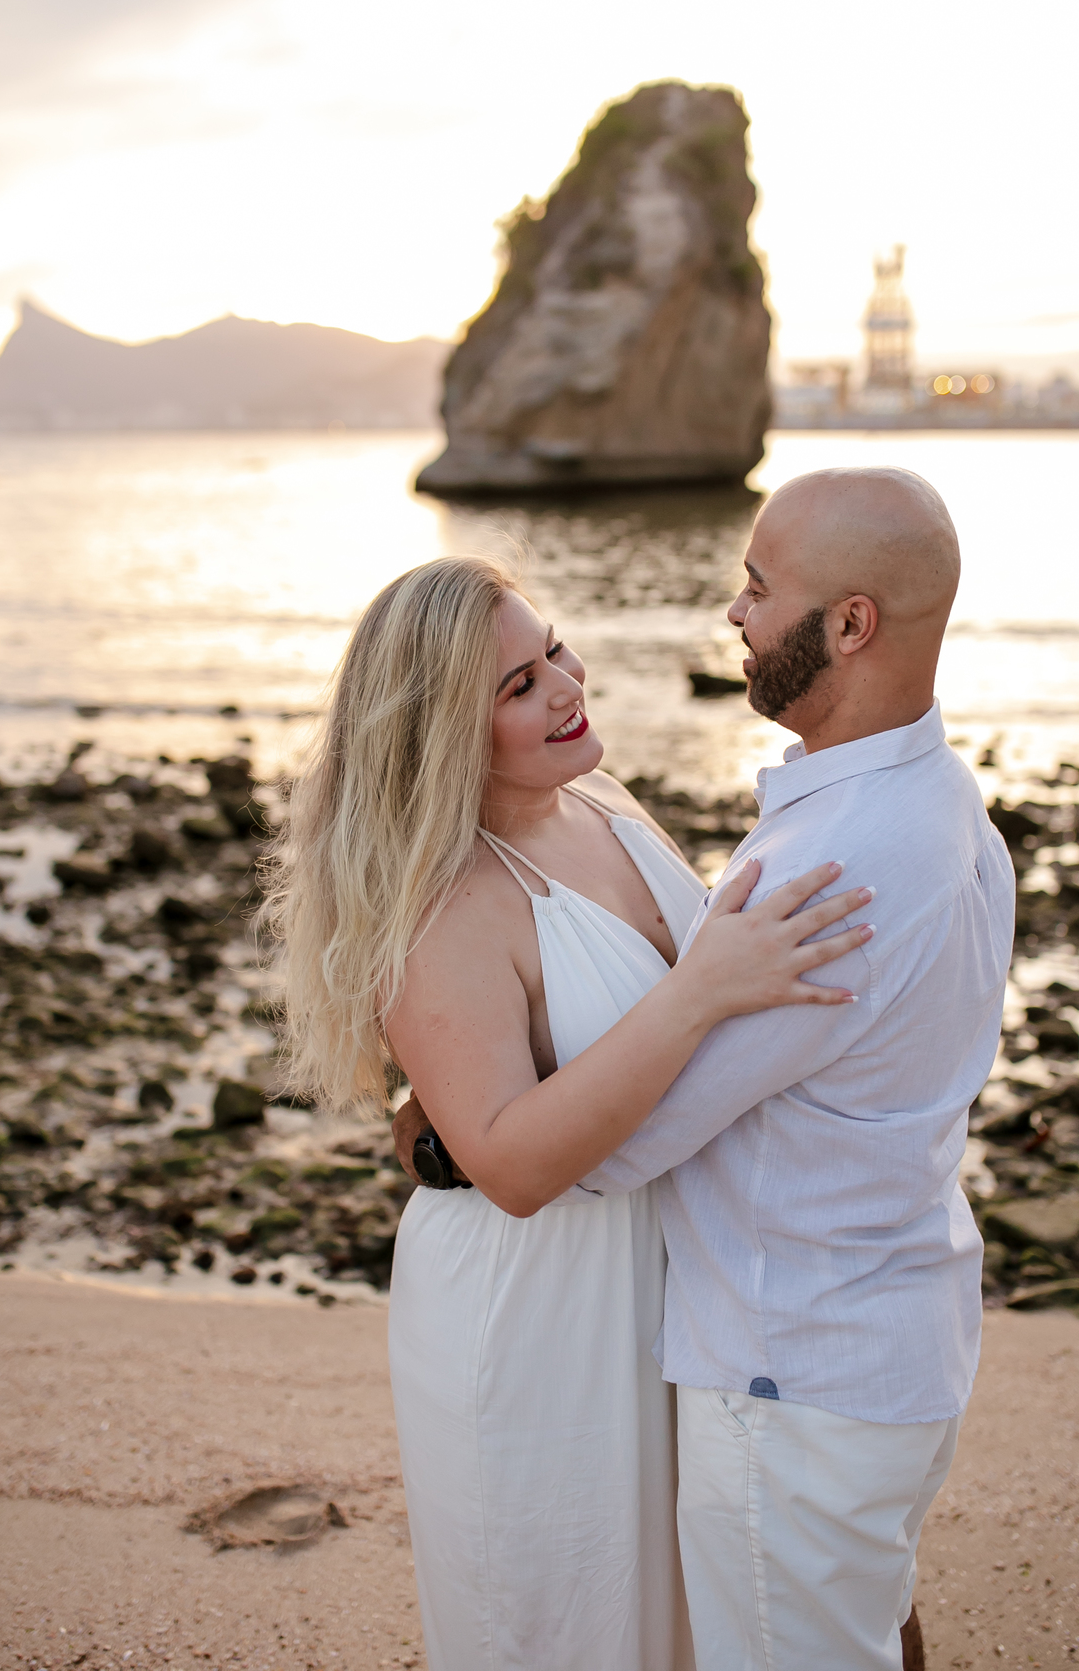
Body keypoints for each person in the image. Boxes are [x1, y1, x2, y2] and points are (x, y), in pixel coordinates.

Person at [397, 466, 1016, 1671]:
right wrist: (443, 1101)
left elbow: (613, 1146)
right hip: (853, 1327)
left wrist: (446, 1134)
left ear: (850, 624)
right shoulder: (936, 798)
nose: (734, 612)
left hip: (790, 1362)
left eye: (758, 588)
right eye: (522, 679)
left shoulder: (825, 869)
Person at [265, 553, 874, 1671]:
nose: (565, 685)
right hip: (534, 1306)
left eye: (552, 648)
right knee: (560, 1619)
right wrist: (701, 993)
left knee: (685, 1612)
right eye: (518, 686)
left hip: (668, 1283)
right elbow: (509, 1165)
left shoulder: (601, 801)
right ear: (442, 734)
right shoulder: (444, 903)